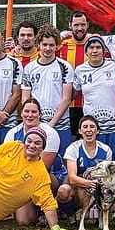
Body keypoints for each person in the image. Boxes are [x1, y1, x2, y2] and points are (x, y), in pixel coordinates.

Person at [5, 98, 68, 224]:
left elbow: (43, 166)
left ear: (40, 114)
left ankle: (52, 206)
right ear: (21, 113)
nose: (30, 115)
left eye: (34, 112)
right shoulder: (12, 133)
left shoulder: (50, 133)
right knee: (24, 221)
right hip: (23, 179)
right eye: (26, 111)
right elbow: (8, 163)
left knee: (41, 177)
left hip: (50, 176)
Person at [22, 25, 74, 154]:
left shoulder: (65, 66)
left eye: (51, 45)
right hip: (36, 125)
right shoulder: (29, 68)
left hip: (60, 125)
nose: (48, 48)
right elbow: (25, 98)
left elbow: (66, 99)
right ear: (38, 45)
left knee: (61, 164)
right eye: (44, 44)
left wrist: (51, 123)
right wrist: (33, 120)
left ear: (57, 46)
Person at [73, 36, 115, 158]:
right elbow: (72, 94)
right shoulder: (80, 70)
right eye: (91, 48)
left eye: (98, 47)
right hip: (93, 125)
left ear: (104, 51)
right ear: (86, 52)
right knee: (96, 159)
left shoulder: (114, 65)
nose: (95, 51)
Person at [58, 12, 89, 134]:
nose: (80, 28)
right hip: (67, 104)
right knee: (71, 139)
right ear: (70, 26)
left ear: (87, 25)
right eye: (76, 25)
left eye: (83, 25)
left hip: (90, 104)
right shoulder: (61, 45)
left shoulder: (95, 45)